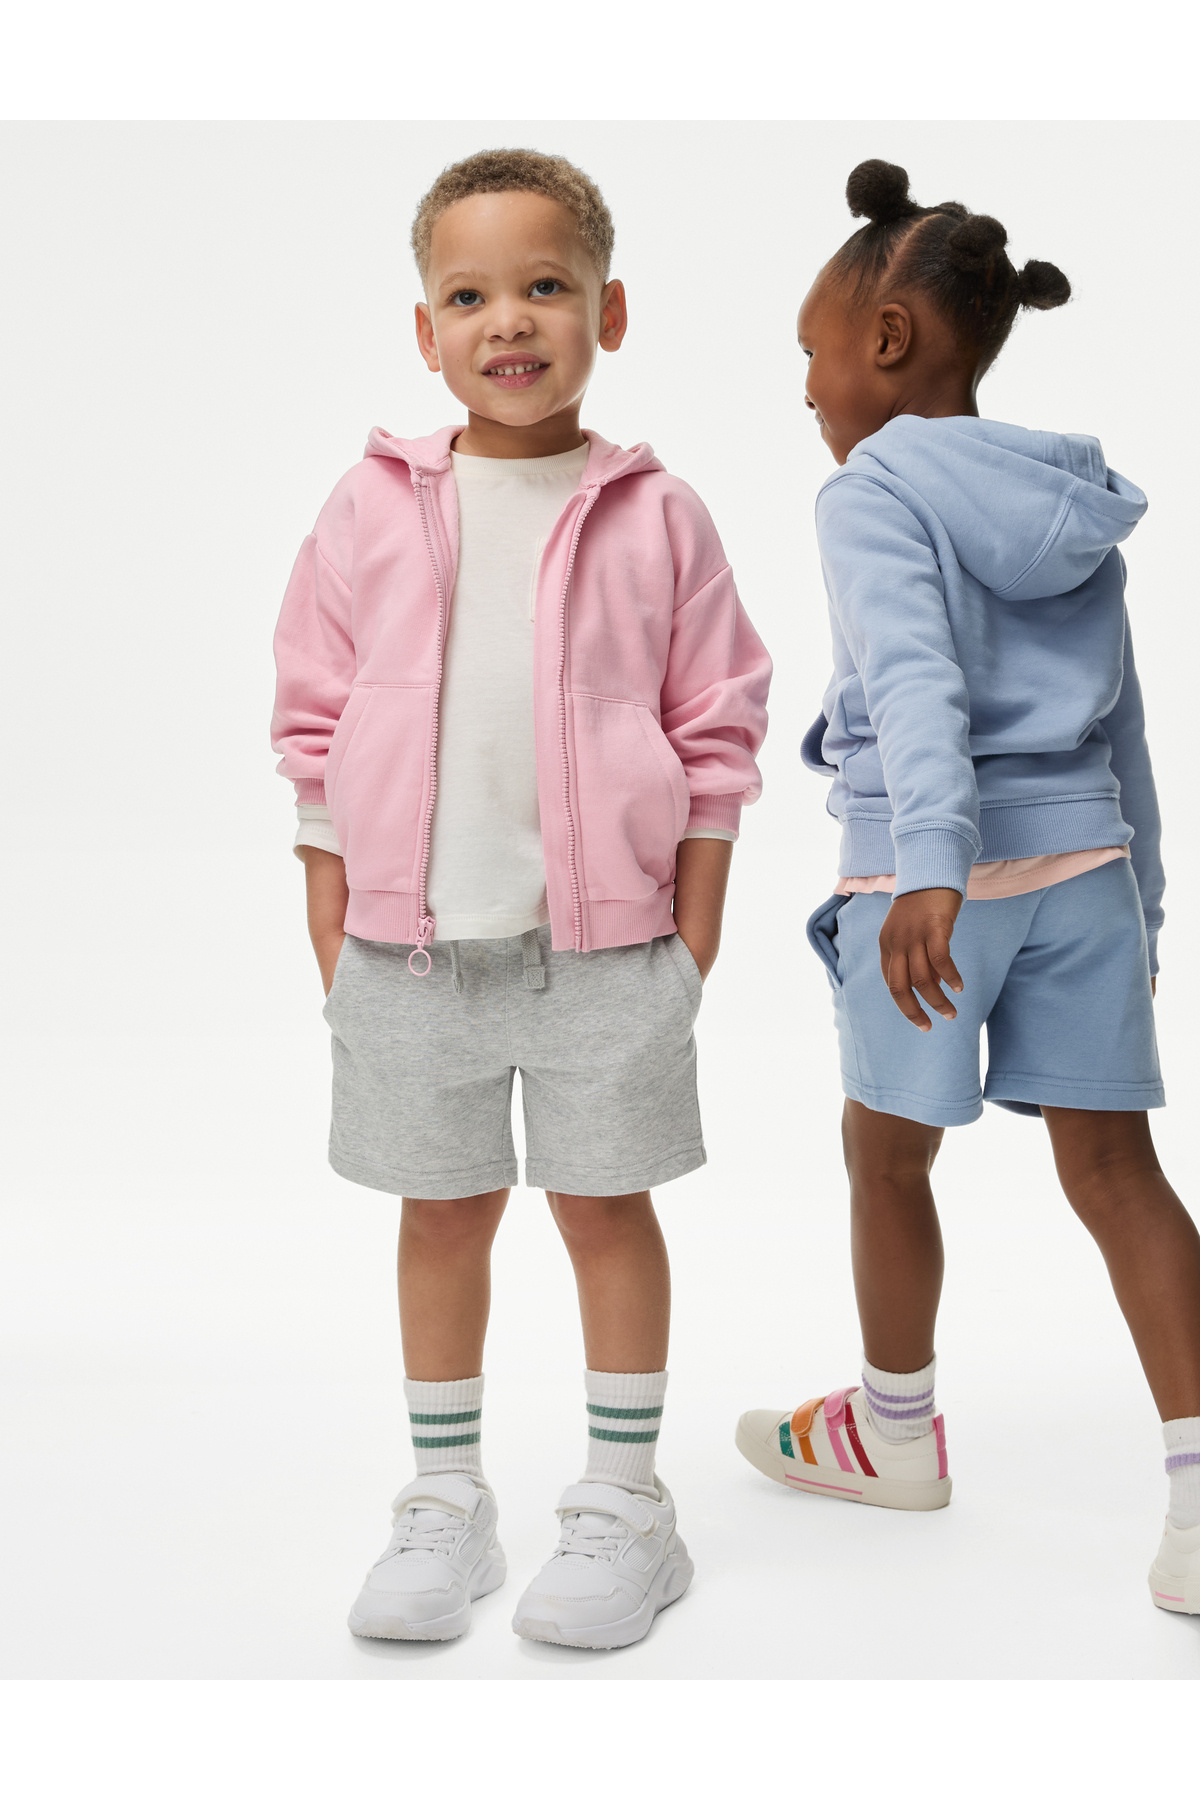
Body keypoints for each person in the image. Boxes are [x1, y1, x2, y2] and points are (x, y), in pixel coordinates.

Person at [272, 148, 771, 1649]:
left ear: (608, 312)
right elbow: (314, 714)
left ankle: (626, 1506)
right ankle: (446, 1500)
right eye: (470, 294)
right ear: (425, 329)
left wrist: (693, 935)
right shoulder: (367, 506)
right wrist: (331, 917)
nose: (510, 319)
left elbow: (716, 726)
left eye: (546, 286)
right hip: (407, 956)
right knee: (441, 1216)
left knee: (606, 1211)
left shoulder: (659, 512)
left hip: (609, 954)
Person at [736, 159, 1200, 1615]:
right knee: (1119, 1175)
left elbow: (914, 682)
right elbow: (1125, 722)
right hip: (1089, 872)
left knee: (885, 1157)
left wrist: (931, 868)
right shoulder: (1069, 501)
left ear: (887, 339)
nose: (806, 384)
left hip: (928, 883)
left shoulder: (869, 487)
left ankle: (891, 1434)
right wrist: (1147, 903)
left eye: (814, 349)